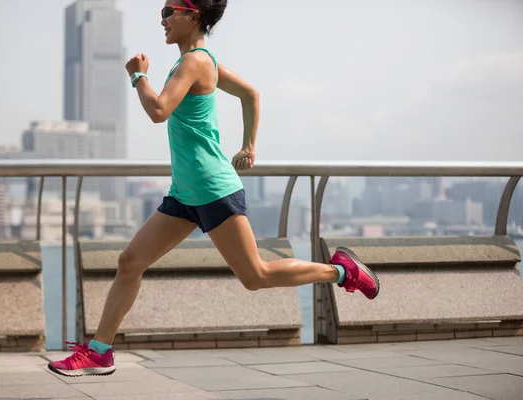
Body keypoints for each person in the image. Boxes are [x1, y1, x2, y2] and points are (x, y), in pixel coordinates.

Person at [48, 0, 380, 377]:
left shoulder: (195, 62)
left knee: (256, 276)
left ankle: (342, 272)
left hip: (212, 188)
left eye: (169, 10)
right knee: (130, 263)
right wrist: (249, 146)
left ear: (193, 15)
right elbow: (251, 94)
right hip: (185, 193)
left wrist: (138, 76)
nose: (162, 18)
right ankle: (100, 352)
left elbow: (159, 111)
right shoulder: (199, 60)